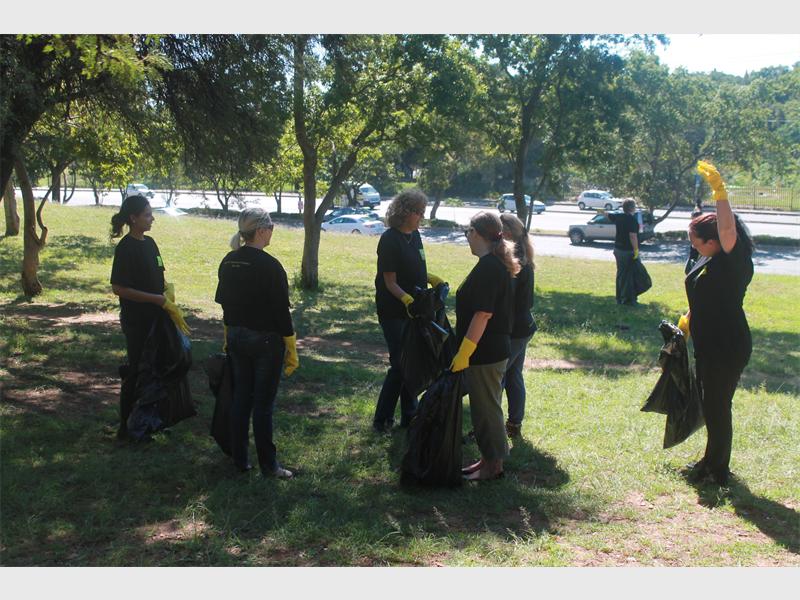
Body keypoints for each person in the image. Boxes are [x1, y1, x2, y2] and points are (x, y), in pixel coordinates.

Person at [681, 161, 754, 487]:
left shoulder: (733, 261)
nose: (694, 246)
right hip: (709, 344)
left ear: (715, 241)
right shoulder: (708, 259)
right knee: (711, 404)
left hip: (727, 344)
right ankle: (710, 460)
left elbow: (727, 229)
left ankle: (718, 470)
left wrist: (720, 193)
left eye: (697, 242)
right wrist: (688, 319)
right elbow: (703, 295)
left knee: (718, 406)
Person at [214, 207, 299, 478]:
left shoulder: (229, 261)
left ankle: (240, 460)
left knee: (241, 398)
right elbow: (281, 312)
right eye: (271, 227)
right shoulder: (270, 266)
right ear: (261, 231)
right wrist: (290, 344)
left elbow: (224, 302)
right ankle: (269, 466)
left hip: (236, 337)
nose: (273, 231)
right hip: (265, 342)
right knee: (263, 405)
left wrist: (229, 333)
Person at [110, 195, 189, 440]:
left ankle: (151, 421)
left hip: (158, 317)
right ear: (133, 218)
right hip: (137, 321)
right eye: (147, 214)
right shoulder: (126, 248)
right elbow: (119, 288)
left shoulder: (151, 243)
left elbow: (159, 272)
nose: (152, 218)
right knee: (137, 370)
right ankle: (127, 427)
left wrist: (166, 292)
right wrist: (155, 299)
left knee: (158, 368)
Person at [452, 211, 519, 481]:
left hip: (485, 352)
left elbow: (483, 314)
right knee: (484, 408)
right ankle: (487, 460)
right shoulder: (490, 263)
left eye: (468, 232)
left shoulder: (489, 268)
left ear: (477, 234)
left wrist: (465, 352)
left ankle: (493, 467)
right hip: (488, 349)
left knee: (487, 410)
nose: (467, 237)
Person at [373, 189, 444, 433]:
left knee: (413, 362)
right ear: (405, 212)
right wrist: (406, 300)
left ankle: (409, 415)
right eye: (419, 213)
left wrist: (432, 279)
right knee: (400, 364)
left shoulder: (415, 236)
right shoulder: (389, 240)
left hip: (416, 310)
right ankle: (382, 419)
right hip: (393, 310)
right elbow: (390, 281)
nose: (422, 217)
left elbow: (416, 268)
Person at [499, 213, 537, 438]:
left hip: (516, 330)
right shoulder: (520, 255)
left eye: (499, 229)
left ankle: (491, 427)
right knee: (513, 375)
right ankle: (514, 424)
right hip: (522, 328)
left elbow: (513, 302)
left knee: (497, 377)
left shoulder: (514, 260)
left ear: (507, 232)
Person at [607, 199, 640, 305]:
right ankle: (627, 299)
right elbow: (633, 236)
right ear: (632, 208)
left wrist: (601, 211)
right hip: (627, 251)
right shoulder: (632, 220)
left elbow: (608, 215)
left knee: (620, 274)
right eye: (634, 206)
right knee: (629, 275)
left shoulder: (619, 217)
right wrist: (636, 250)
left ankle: (619, 298)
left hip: (618, 249)